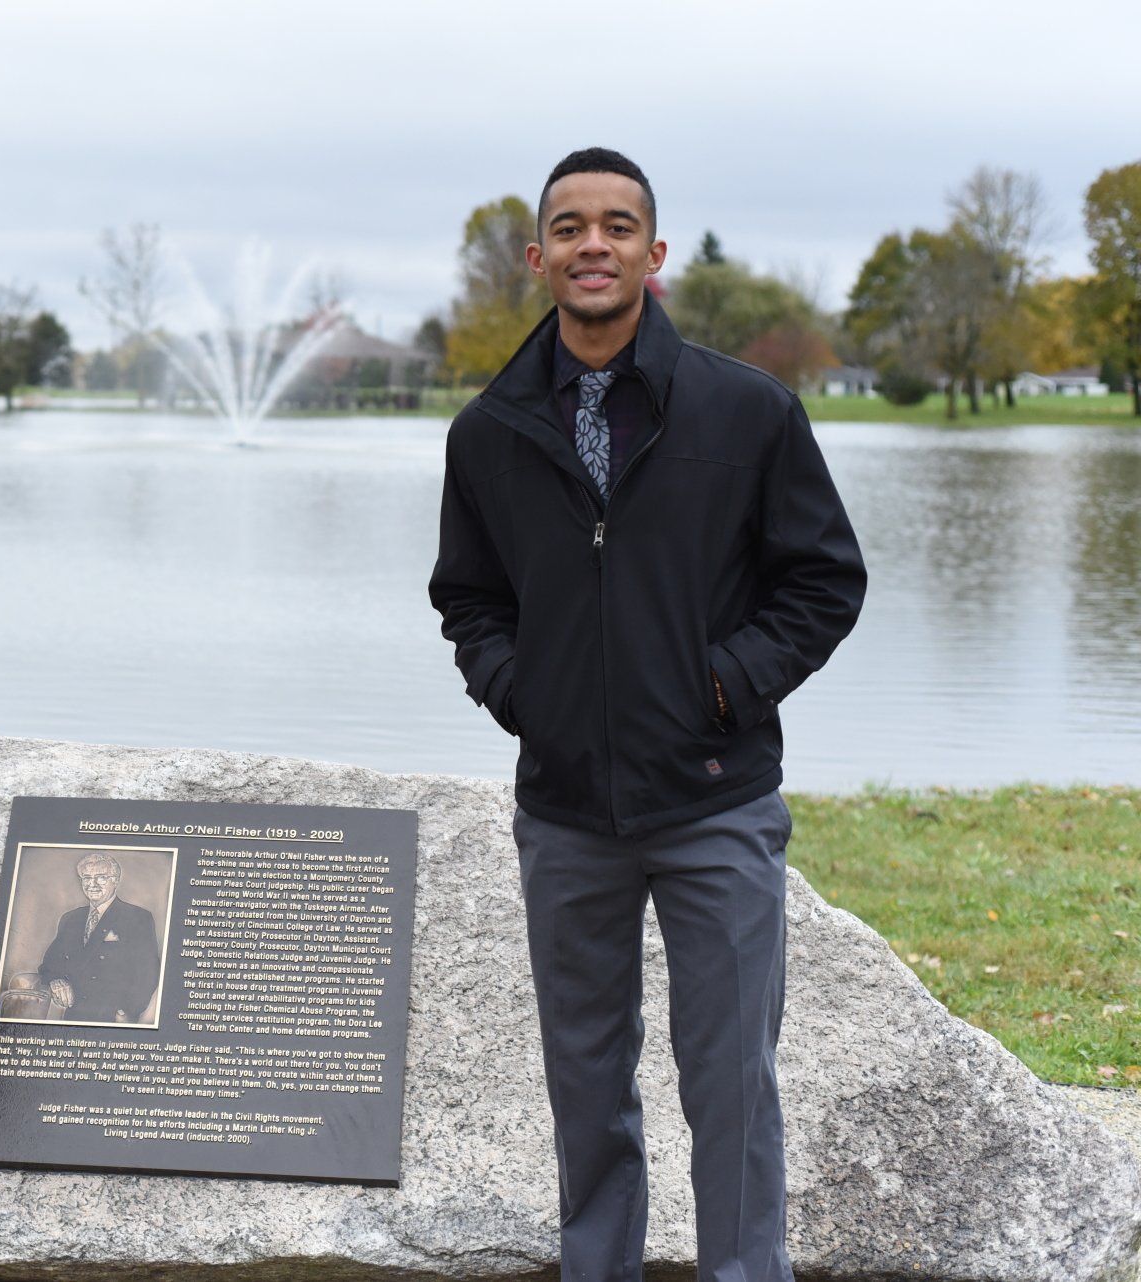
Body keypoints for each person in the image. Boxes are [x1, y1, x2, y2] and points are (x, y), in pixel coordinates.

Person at [429, 148, 865, 1280]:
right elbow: (468, 597)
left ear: (653, 254)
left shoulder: (748, 410)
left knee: (730, 1090)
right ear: (539, 257)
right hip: (567, 816)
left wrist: (724, 683)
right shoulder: (488, 433)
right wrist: (525, 693)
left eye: (618, 226)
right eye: (570, 228)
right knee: (587, 1087)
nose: (593, 246)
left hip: (715, 805)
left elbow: (824, 581)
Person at [37, 853, 159, 1023]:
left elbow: (148, 971)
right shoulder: (70, 918)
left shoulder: (137, 917)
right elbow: (50, 964)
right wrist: (56, 980)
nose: (92, 884)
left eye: (101, 877)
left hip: (113, 1017)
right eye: (86, 877)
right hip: (74, 1014)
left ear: (115, 880)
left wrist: (127, 1011)